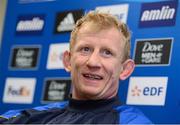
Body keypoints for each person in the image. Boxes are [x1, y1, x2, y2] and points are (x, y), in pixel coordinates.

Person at [0, 11, 152, 124]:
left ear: (125, 70)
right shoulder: (29, 118)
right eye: (85, 49)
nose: (93, 62)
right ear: (68, 61)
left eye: (107, 52)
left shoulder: (132, 122)